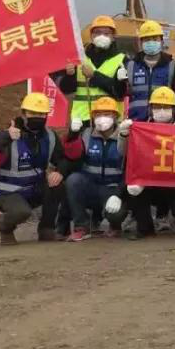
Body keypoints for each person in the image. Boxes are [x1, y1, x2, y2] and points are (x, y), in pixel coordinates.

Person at [0, 92, 71, 246]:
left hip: (34, 189)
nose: (37, 117)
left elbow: (62, 159)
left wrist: (59, 172)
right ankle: (5, 228)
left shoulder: (50, 136)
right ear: (23, 114)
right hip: (8, 193)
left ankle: (47, 229)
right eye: (32, 113)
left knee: (58, 186)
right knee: (21, 212)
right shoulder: (8, 136)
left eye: (41, 114)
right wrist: (2, 141)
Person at [123, 86, 175, 235]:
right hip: (151, 182)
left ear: (174, 110)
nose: (161, 111)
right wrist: (123, 136)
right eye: (157, 107)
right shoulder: (142, 130)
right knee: (135, 188)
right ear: (150, 109)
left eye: (166, 107)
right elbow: (127, 155)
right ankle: (145, 228)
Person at [62, 97, 134, 241]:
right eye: (98, 114)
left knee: (116, 213)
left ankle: (115, 226)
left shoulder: (125, 136)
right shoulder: (86, 134)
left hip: (113, 189)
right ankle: (81, 226)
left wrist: (119, 194)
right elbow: (73, 155)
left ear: (115, 116)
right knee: (73, 180)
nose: (102, 118)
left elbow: (131, 169)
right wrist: (72, 135)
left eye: (107, 114)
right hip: (91, 186)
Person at [58, 15, 128, 123]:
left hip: (110, 118)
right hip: (82, 119)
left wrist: (94, 76)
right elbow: (66, 90)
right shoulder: (79, 58)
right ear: (91, 35)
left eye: (106, 33)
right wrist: (69, 76)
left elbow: (120, 92)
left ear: (113, 36)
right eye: (97, 33)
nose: (101, 36)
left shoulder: (121, 59)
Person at [126, 20, 175, 121]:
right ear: (140, 43)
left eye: (155, 39)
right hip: (136, 122)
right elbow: (124, 92)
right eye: (147, 39)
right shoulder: (131, 65)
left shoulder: (171, 64)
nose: (151, 42)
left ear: (162, 41)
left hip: (163, 121)